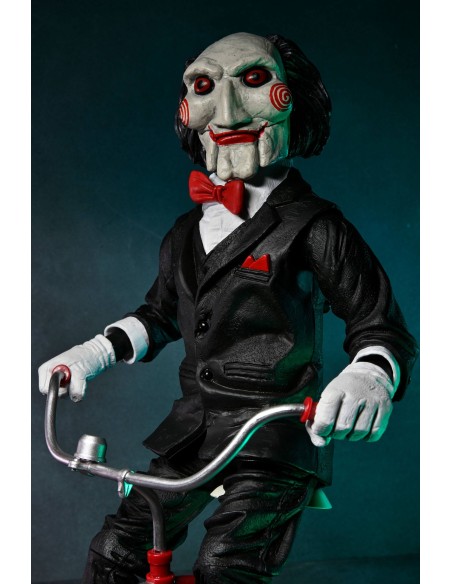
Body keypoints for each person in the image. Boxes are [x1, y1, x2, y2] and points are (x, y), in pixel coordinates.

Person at [39, 32, 418, 584]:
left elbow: (379, 324)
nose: (229, 109)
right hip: (192, 431)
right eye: (204, 86)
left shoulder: (316, 226)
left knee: (225, 565)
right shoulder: (183, 232)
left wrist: (371, 374)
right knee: (116, 548)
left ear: (295, 100)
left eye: (254, 80)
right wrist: (94, 352)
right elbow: (158, 316)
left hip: (275, 436)